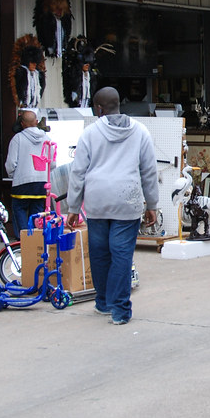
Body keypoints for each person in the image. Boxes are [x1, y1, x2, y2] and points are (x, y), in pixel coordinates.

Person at [67, 87, 158, 325]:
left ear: (99, 109)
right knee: (121, 254)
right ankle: (120, 310)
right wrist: (152, 204)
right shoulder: (140, 131)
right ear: (119, 104)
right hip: (127, 200)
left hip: (97, 200)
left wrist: (73, 207)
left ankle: (103, 303)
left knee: (99, 254)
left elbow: (78, 172)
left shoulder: (89, 133)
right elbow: (149, 171)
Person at [5, 110, 52, 235]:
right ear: (36, 122)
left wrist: (13, 175)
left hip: (22, 182)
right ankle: (34, 240)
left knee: (19, 210)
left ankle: (23, 238)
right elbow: (52, 163)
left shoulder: (18, 138)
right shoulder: (46, 138)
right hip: (41, 183)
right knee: (37, 215)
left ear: (22, 124)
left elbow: (11, 163)